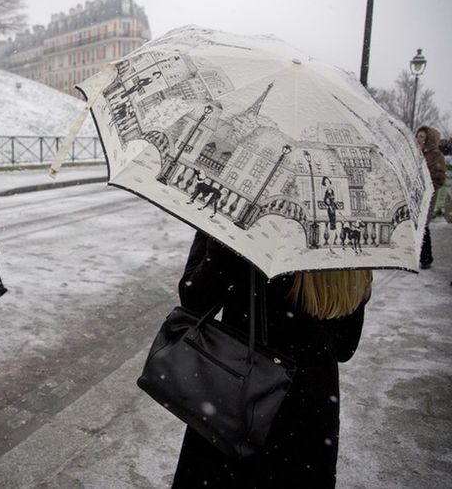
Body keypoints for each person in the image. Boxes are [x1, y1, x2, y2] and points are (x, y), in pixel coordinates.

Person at [172, 231, 372, 488]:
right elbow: (345, 347)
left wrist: (211, 232)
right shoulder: (348, 240)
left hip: (240, 394)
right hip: (309, 410)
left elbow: (194, 300)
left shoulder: (253, 230)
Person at [415, 126, 446, 269]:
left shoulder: (435, 155)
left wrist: (427, 185)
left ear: (428, 139)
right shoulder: (415, 152)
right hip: (414, 194)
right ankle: (415, 255)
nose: (418, 139)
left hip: (427, 195)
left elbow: (440, 177)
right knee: (414, 224)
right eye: (418, 136)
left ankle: (426, 258)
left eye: (422, 136)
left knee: (423, 225)